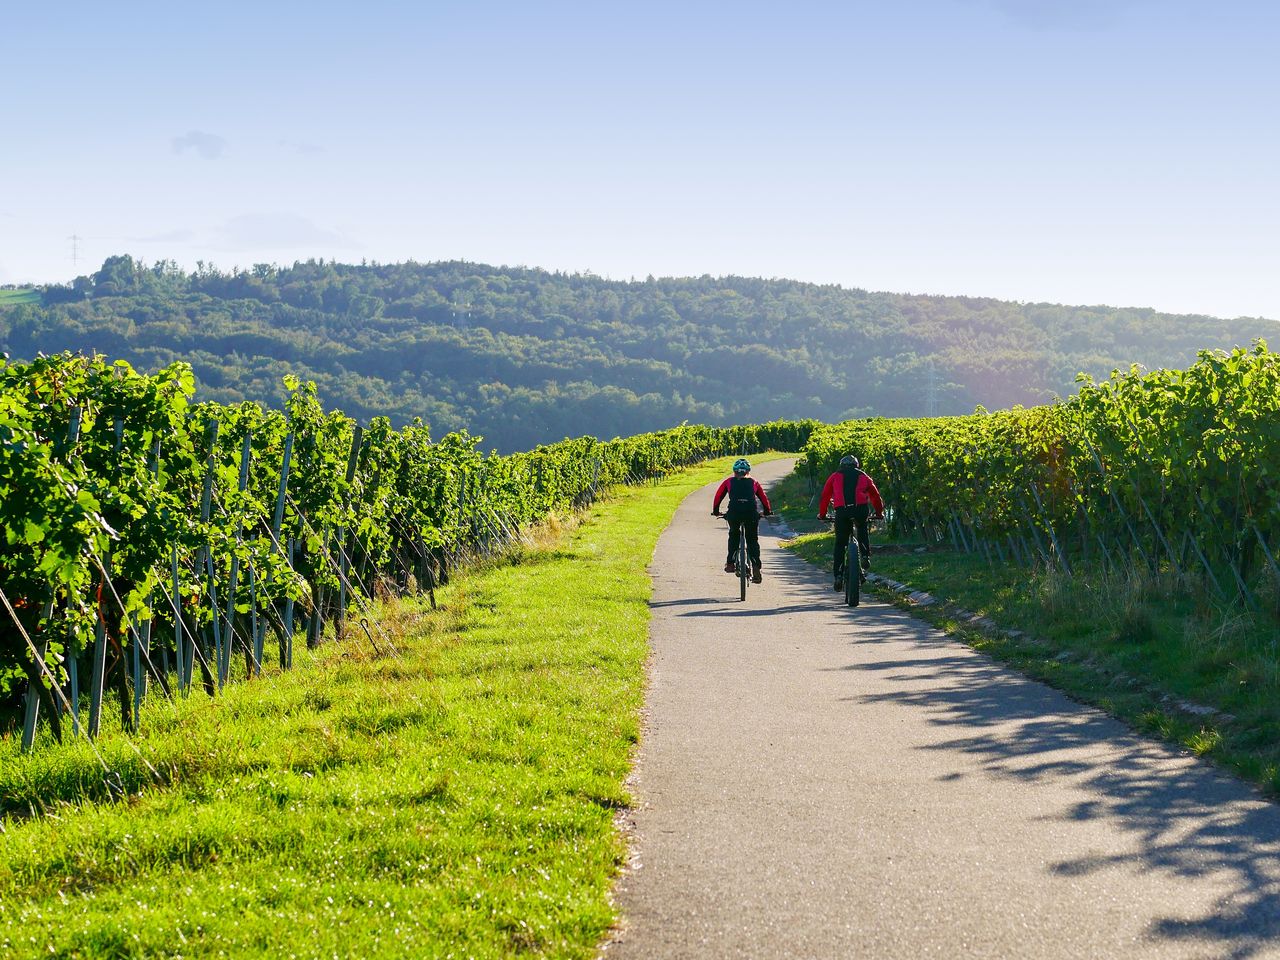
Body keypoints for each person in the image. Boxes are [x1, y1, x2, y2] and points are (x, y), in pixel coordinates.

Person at [818, 455, 884, 592]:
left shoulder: (835, 476)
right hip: (860, 510)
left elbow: (825, 496)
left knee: (840, 543)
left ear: (841, 465)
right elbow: (875, 496)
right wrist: (879, 513)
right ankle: (865, 555)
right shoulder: (864, 476)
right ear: (857, 465)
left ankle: (838, 575)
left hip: (842, 511)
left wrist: (823, 514)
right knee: (862, 529)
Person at [712, 458, 772, 583]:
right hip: (751, 514)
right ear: (748, 471)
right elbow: (764, 499)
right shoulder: (754, 482)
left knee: (734, 535)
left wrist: (716, 511)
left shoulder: (729, 481)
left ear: (734, 471)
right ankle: (756, 566)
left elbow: (718, 496)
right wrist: (766, 512)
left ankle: (730, 563)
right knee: (752, 540)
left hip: (734, 513)